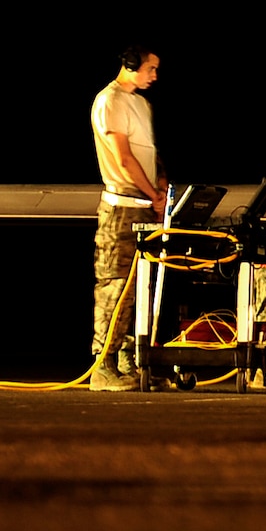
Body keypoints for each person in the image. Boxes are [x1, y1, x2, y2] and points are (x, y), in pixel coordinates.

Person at [89, 47, 165, 392]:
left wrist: (161, 188)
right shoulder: (111, 100)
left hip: (144, 205)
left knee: (137, 291)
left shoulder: (141, 104)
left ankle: (128, 361)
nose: (154, 76)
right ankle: (102, 366)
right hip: (122, 208)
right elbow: (123, 158)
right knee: (115, 287)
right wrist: (152, 193)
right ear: (131, 65)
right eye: (150, 68)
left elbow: (149, 154)